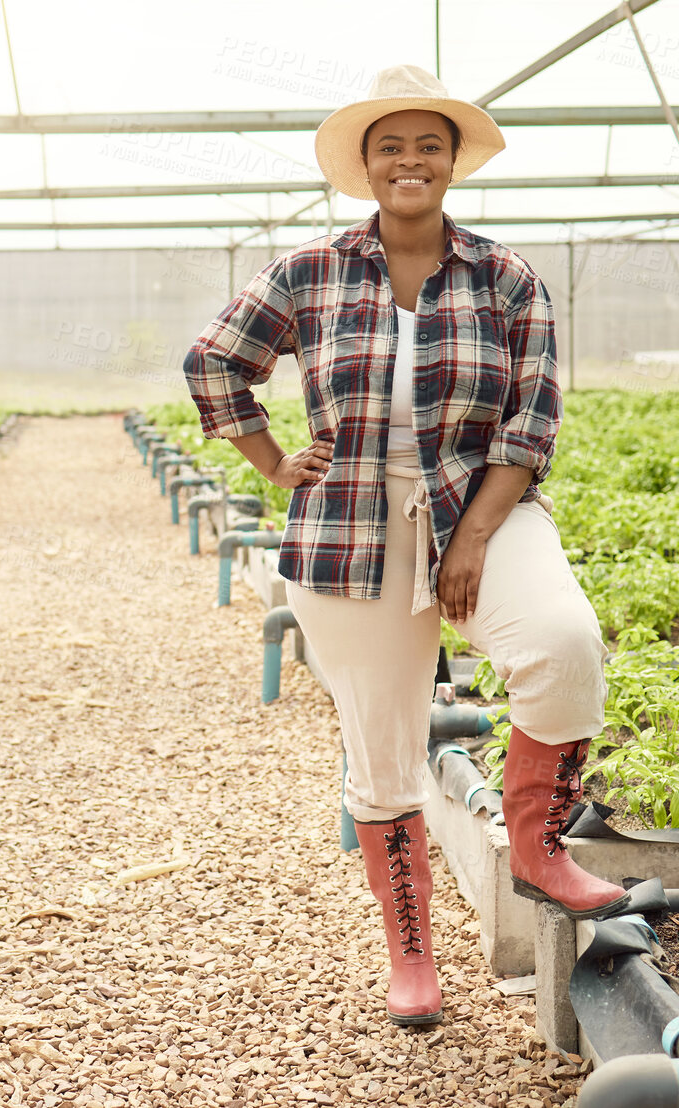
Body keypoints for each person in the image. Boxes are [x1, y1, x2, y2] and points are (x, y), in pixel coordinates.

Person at [183, 65, 627, 1029]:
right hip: (349, 522)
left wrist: (469, 540)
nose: (409, 161)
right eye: (391, 147)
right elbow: (215, 359)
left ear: (454, 161)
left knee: (563, 644)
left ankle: (541, 846)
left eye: (429, 145)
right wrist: (267, 459)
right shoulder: (310, 271)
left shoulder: (507, 278)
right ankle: (413, 955)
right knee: (381, 749)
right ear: (367, 166)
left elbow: (531, 424)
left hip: (486, 506)